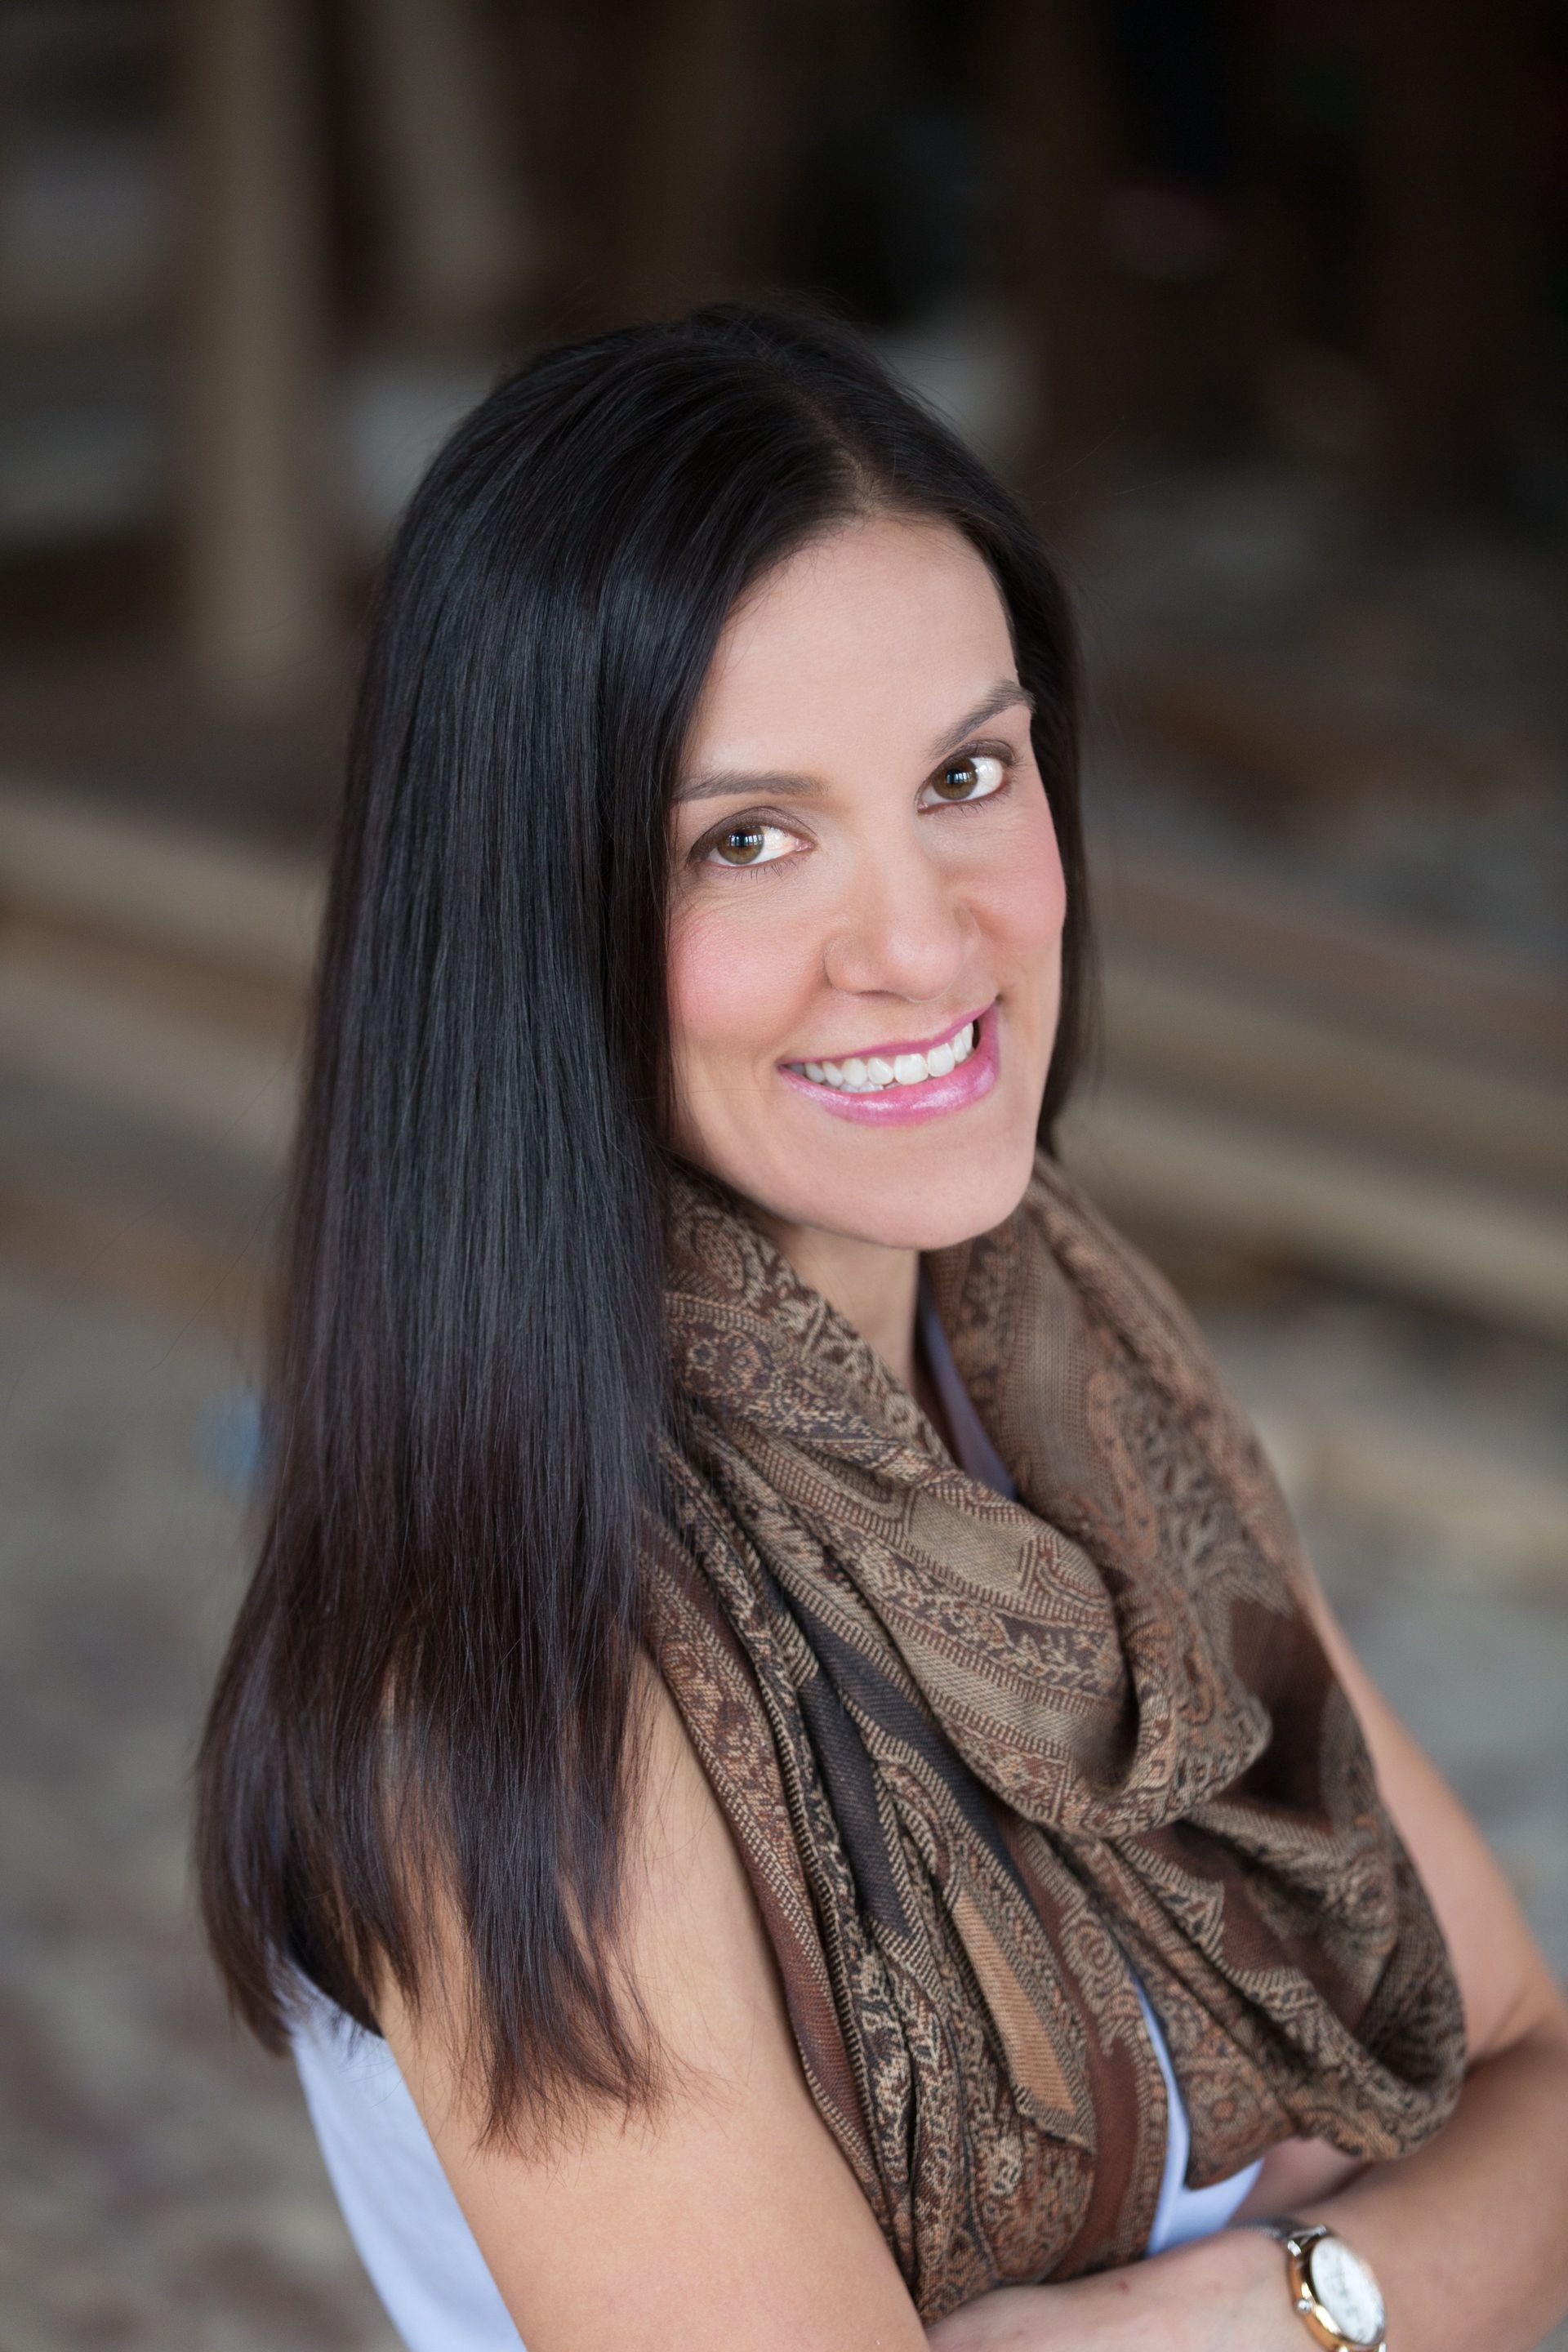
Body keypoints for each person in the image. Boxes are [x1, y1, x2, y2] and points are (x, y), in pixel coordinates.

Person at [194, 300, 1568, 2352]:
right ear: (531, 918)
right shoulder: (515, 1689)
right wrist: (1407, 2254)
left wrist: (1245, 2316)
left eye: (965, 773)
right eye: (747, 840)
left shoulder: (1078, 1376)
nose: (924, 942)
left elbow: (1536, 2074)